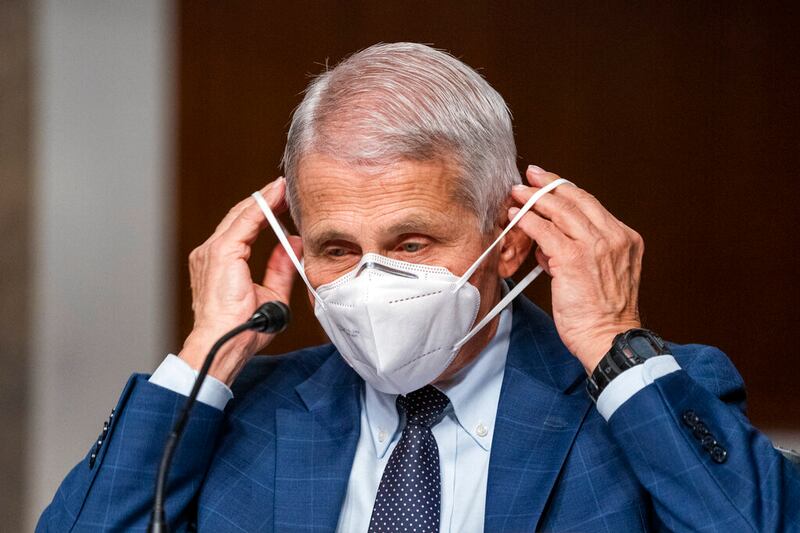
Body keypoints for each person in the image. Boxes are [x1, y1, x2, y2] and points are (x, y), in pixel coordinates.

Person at [38, 42, 799, 533]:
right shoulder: (238, 418)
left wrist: (613, 345)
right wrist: (203, 355)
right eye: (338, 247)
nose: (373, 279)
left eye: (411, 241)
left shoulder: (648, 402)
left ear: (512, 243)